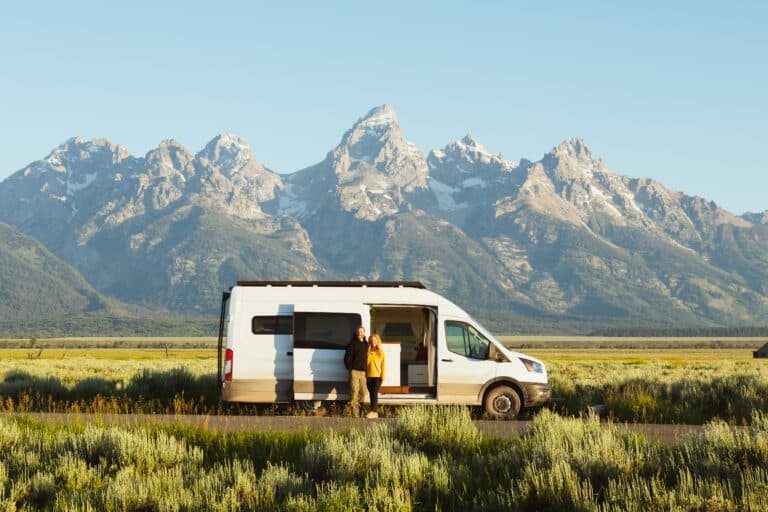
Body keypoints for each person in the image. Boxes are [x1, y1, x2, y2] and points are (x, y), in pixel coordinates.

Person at [344, 325, 368, 417]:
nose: (360, 333)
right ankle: (355, 414)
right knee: (354, 392)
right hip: (354, 372)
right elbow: (347, 358)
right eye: (358, 332)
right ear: (356, 333)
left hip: (364, 373)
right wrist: (350, 368)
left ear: (364, 333)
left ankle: (362, 412)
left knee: (363, 393)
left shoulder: (366, 345)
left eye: (361, 332)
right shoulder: (352, 344)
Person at [365, 333, 385, 419]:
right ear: (370, 341)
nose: (373, 342)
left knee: (374, 394)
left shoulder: (381, 352)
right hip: (368, 376)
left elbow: (383, 365)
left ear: (377, 341)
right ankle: (374, 412)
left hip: (377, 377)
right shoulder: (368, 351)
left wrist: (382, 376)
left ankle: (373, 411)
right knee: (371, 394)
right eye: (372, 340)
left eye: (375, 340)